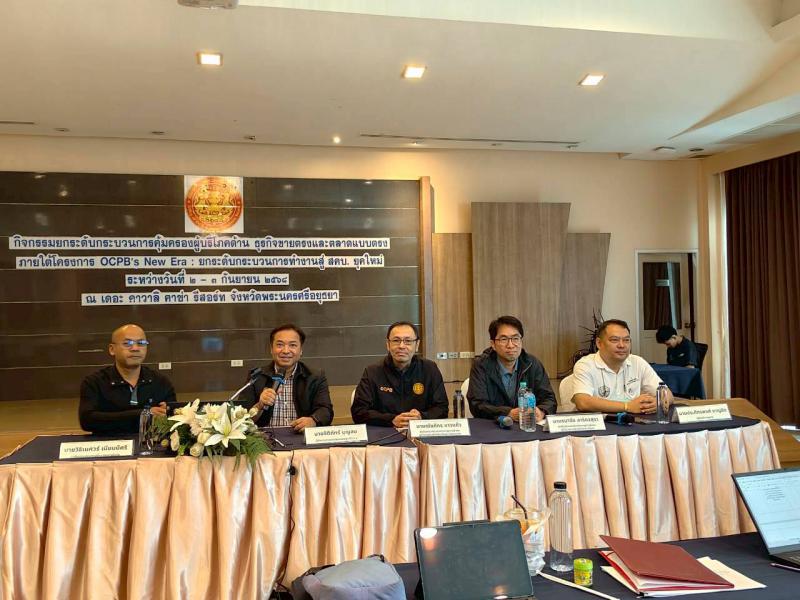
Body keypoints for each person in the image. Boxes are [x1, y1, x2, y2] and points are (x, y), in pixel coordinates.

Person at [79, 324, 175, 434]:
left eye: (141, 343)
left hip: (151, 443)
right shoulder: (94, 382)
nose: (135, 348)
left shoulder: (161, 382)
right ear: (112, 349)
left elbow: (174, 421)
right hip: (108, 443)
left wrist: (169, 413)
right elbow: (87, 421)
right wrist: (144, 414)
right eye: (127, 343)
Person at [351, 321, 448, 427]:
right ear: (388, 345)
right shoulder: (372, 372)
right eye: (396, 341)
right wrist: (391, 419)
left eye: (408, 341)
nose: (401, 346)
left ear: (417, 345)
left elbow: (442, 408)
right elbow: (359, 412)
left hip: (421, 431)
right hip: (385, 431)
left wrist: (422, 417)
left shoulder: (430, 369)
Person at [240, 324, 333, 432]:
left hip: (301, 436)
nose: (286, 351)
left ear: (301, 350)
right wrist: (259, 405)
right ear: (271, 349)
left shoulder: (315, 376)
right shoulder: (256, 376)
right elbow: (240, 418)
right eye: (280, 345)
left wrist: (313, 420)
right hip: (265, 438)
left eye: (292, 345)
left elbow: (326, 411)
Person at [467, 315, 557, 421]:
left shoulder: (532, 364)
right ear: (493, 344)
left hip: (527, 424)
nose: (510, 345)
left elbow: (549, 399)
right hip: (494, 425)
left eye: (515, 338)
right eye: (504, 339)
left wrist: (541, 412)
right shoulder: (481, 365)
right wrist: (508, 413)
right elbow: (477, 405)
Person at [572, 319, 668, 414]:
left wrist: (657, 403)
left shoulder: (638, 362)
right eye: (614, 340)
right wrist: (627, 406)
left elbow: (667, 394)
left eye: (626, 340)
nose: (622, 345)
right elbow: (582, 402)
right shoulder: (585, 365)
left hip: (632, 421)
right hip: (599, 422)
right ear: (599, 343)